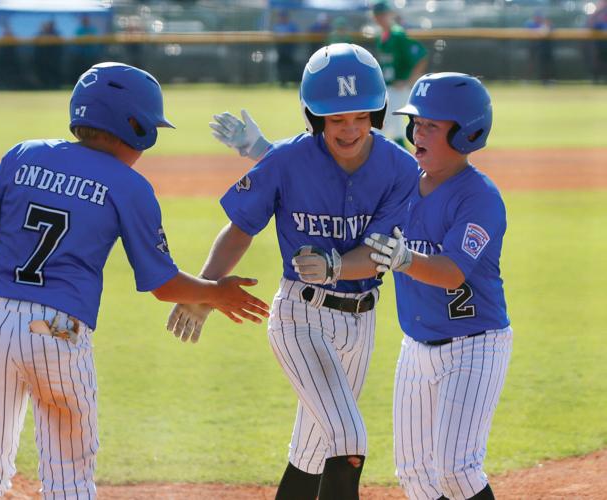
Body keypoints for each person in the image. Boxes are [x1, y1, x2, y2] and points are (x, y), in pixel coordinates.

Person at [0, 62, 269, 499]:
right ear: (136, 127)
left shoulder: (24, 155)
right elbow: (162, 284)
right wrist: (214, 293)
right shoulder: (129, 184)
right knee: (68, 481)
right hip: (60, 332)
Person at [167, 43, 418, 499]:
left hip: (362, 322)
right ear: (313, 116)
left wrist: (336, 265)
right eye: (336, 119)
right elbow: (240, 229)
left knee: (311, 449)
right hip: (300, 318)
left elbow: (380, 252)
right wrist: (204, 292)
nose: (350, 128)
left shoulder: (400, 168)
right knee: (348, 439)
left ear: (378, 115)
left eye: (361, 116)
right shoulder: (284, 161)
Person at [364, 73, 511, 500]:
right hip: (416, 346)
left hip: (475, 345)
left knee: (456, 471)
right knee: (414, 475)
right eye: (417, 122)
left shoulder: (479, 197)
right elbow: (343, 171)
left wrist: (404, 259)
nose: (417, 132)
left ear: (466, 133)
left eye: (432, 124)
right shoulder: (402, 180)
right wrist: (261, 151)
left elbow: (451, 272)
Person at [372, 1, 427, 147]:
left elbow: (421, 56)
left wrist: (408, 82)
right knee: (391, 126)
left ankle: (404, 164)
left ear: (390, 14)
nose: (381, 18)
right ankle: (405, 163)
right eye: (378, 15)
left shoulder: (398, 35)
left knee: (384, 124)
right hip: (388, 89)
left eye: (383, 14)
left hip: (399, 88)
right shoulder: (382, 37)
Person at [524, 11, 554, 83]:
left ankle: (546, 80)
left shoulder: (546, 24)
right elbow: (528, 28)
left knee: (545, 64)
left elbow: (552, 27)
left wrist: (547, 26)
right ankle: (527, 80)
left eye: (540, 17)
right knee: (531, 63)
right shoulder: (530, 23)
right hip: (533, 46)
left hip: (544, 47)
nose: (538, 18)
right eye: (537, 17)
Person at [273, 10, 301, 86]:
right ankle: (282, 82)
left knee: (291, 66)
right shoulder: (277, 26)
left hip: (289, 49)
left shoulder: (292, 26)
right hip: (280, 49)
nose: (281, 18)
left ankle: (296, 82)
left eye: (283, 17)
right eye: (280, 17)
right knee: (281, 66)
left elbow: (297, 36)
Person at [33, 20, 64, 89]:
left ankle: (55, 85)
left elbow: (60, 48)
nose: (48, 27)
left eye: (49, 26)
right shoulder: (40, 34)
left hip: (54, 59)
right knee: (43, 73)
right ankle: (43, 85)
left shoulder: (56, 34)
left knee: (54, 72)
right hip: (42, 59)